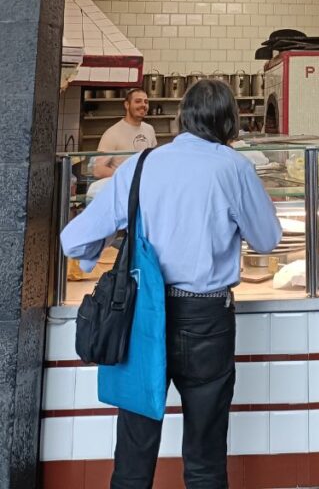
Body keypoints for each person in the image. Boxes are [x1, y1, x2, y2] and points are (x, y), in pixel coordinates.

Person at [61, 79, 282, 489]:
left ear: (182, 117)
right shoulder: (234, 167)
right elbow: (268, 238)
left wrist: (111, 243)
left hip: (143, 316)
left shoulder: (143, 163)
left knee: (133, 453)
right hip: (208, 319)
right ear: (229, 123)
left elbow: (74, 240)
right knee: (205, 455)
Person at [90, 88, 157, 180]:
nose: (143, 105)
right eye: (138, 101)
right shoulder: (112, 133)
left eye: (146, 102)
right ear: (127, 104)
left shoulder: (149, 129)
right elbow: (98, 170)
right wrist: (127, 175)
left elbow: (153, 159)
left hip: (145, 186)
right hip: (124, 189)